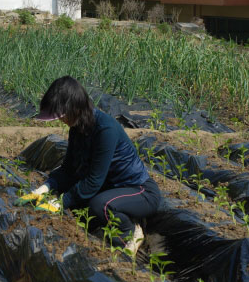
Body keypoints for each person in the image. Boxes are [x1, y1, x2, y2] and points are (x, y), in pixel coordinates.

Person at [16, 76, 161, 254]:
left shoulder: (105, 129)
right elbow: (69, 169)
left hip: (137, 190)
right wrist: (46, 187)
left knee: (100, 205)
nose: (61, 121)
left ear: (75, 108)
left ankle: (130, 232)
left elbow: (94, 180)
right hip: (109, 187)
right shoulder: (77, 128)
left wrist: (61, 203)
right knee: (74, 202)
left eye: (62, 116)